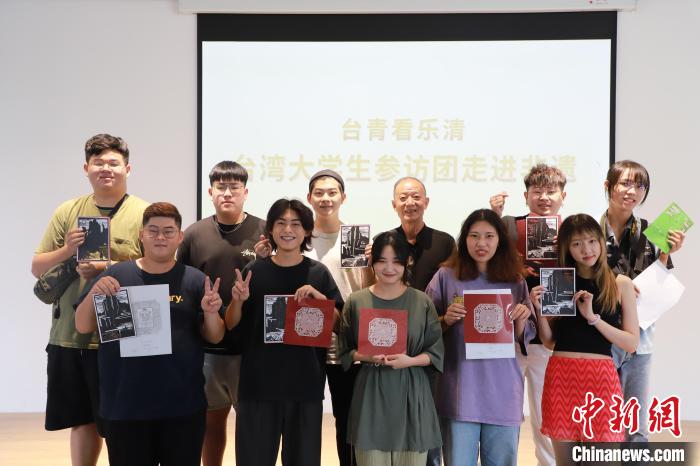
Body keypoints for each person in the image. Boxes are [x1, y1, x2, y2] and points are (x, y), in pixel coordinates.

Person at [75, 202, 226, 466]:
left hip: (182, 406)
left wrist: (211, 313)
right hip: (125, 405)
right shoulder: (116, 276)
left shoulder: (194, 280)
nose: (160, 237)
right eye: (153, 230)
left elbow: (215, 336)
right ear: (141, 235)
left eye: (168, 231)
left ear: (180, 237)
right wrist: (95, 292)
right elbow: (82, 326)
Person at [31, 133, 148, 466]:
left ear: (128, 168)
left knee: (122, 421)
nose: (105, 169)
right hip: (70, 334)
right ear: (86, 168)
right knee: (81, 420)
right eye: (98, 163)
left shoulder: (144, 213)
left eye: (113, 162)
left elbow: (159, 268)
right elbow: (37, 267)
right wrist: (68, 250)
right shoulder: (68, 211)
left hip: (123, 336)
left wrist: (106, 266)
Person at [225, 198, 344, 466]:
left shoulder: (318, 273)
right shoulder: (253, 271)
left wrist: (320, 300)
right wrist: (238, 301)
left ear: (307, 230)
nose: (288, 229)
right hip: (258, 387)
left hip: (305, 387)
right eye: (281, 223)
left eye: (296, 224)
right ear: (270, 229)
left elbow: (338, 325)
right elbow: (231, 324)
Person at [425, 209, 535, 466]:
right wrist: (445, 320)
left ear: (500, 240)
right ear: (464, 239)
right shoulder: (446, 276)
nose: (481, 243)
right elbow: (424, 328)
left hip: (503, 389)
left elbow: (524, 336)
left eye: (489, 236)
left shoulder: (515, 280)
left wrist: (521, 318)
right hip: (460, 388)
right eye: (474, 236)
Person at [176, 161, 266, 466]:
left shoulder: (264, 231)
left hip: (252, 348)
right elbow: (182, 284)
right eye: (221, 187)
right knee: (211, 423)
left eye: (234, 187)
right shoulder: (194, 234)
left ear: (246, 192)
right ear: (210, 192)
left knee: (251, 424)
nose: (227, 193)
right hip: (208, 347)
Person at [533, 214, 639, 465]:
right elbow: (550, 342)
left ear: (601, 242)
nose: (587, 249)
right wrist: (539, 311)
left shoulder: (620, 283)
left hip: (600, 380)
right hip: (561, 377)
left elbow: (631, 343)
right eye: (577, 243)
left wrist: (593, 318)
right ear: (567, 248)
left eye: (592, 241)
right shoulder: (559, 280)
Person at [338, 230, 444, 466]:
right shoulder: (356, 301)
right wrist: (367, 356)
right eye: (382, 260)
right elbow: (345, 351)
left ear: (408, 261)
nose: (389, 268)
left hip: (412, 391)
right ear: (372, 262)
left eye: (396, 261)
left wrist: (410, 361)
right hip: (371, 392)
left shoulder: (421, 301)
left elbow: (435, 352)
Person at [488, 163, 567, 466]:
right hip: (509, 333)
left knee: (546, 413)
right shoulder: (509, 226)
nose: (544, 197)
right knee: (504, 411)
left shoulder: (570, 231)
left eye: (551, 191)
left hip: (550, 337)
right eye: (537, 191)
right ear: (526, 195)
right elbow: (485, 261)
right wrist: (494, 216)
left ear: (563, 196)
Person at [601, 160, 685, 442]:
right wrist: (612, 286)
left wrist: (667, 252)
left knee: (636, 427)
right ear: (608, 186)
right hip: (601, 336)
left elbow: (658, 279)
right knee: (598, 420)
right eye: (625, 183)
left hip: (640, 337)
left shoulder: (651, 231)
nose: (632, 191)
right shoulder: (589, 231)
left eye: (640, 186)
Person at [305, 169, 371, 466]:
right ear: (309, 198)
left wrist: (372, 263)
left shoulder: (354, 238)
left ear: (343, 197)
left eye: (332, 192)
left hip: (345, 340)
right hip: (305, 338)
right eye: (319, 193)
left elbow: (366, 288)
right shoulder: (300, 237)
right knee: (305, 417)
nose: (326, 198)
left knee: (347, 418)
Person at [391, 177, 456, 291]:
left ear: (426, 202)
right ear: (394, 205)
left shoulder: (445, 243)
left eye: (416, 197)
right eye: (403, 198)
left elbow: (454, 285)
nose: (409, 203)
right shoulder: (385, 241)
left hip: (433, 303)